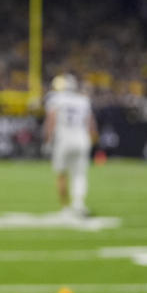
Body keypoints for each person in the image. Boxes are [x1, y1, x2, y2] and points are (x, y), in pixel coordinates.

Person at [43, 73, 98, 218]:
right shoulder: (83, 100)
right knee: (79, 174)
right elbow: (91, 123)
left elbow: (51, 120)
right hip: (82, 139)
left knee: (61, 174)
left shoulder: (56, 99)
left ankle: (65, 208)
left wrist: (48, 140)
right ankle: (79, 204)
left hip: (64, 140)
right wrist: (93, 139)